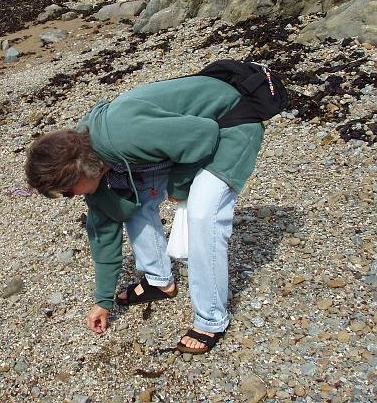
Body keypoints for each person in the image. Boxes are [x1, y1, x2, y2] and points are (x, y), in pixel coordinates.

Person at [24, 73, 264, 354]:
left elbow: (204, 136)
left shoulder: (123, 137)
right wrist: (103, 301)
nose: (71, 197)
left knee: (202, 215)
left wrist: (180, 186)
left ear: (78, 172)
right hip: (182, 139)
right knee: (131, 205)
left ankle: (211, 320)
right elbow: (103, 231)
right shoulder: (90, 160)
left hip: (230, 122)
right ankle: (159, 281)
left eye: (67, 192)